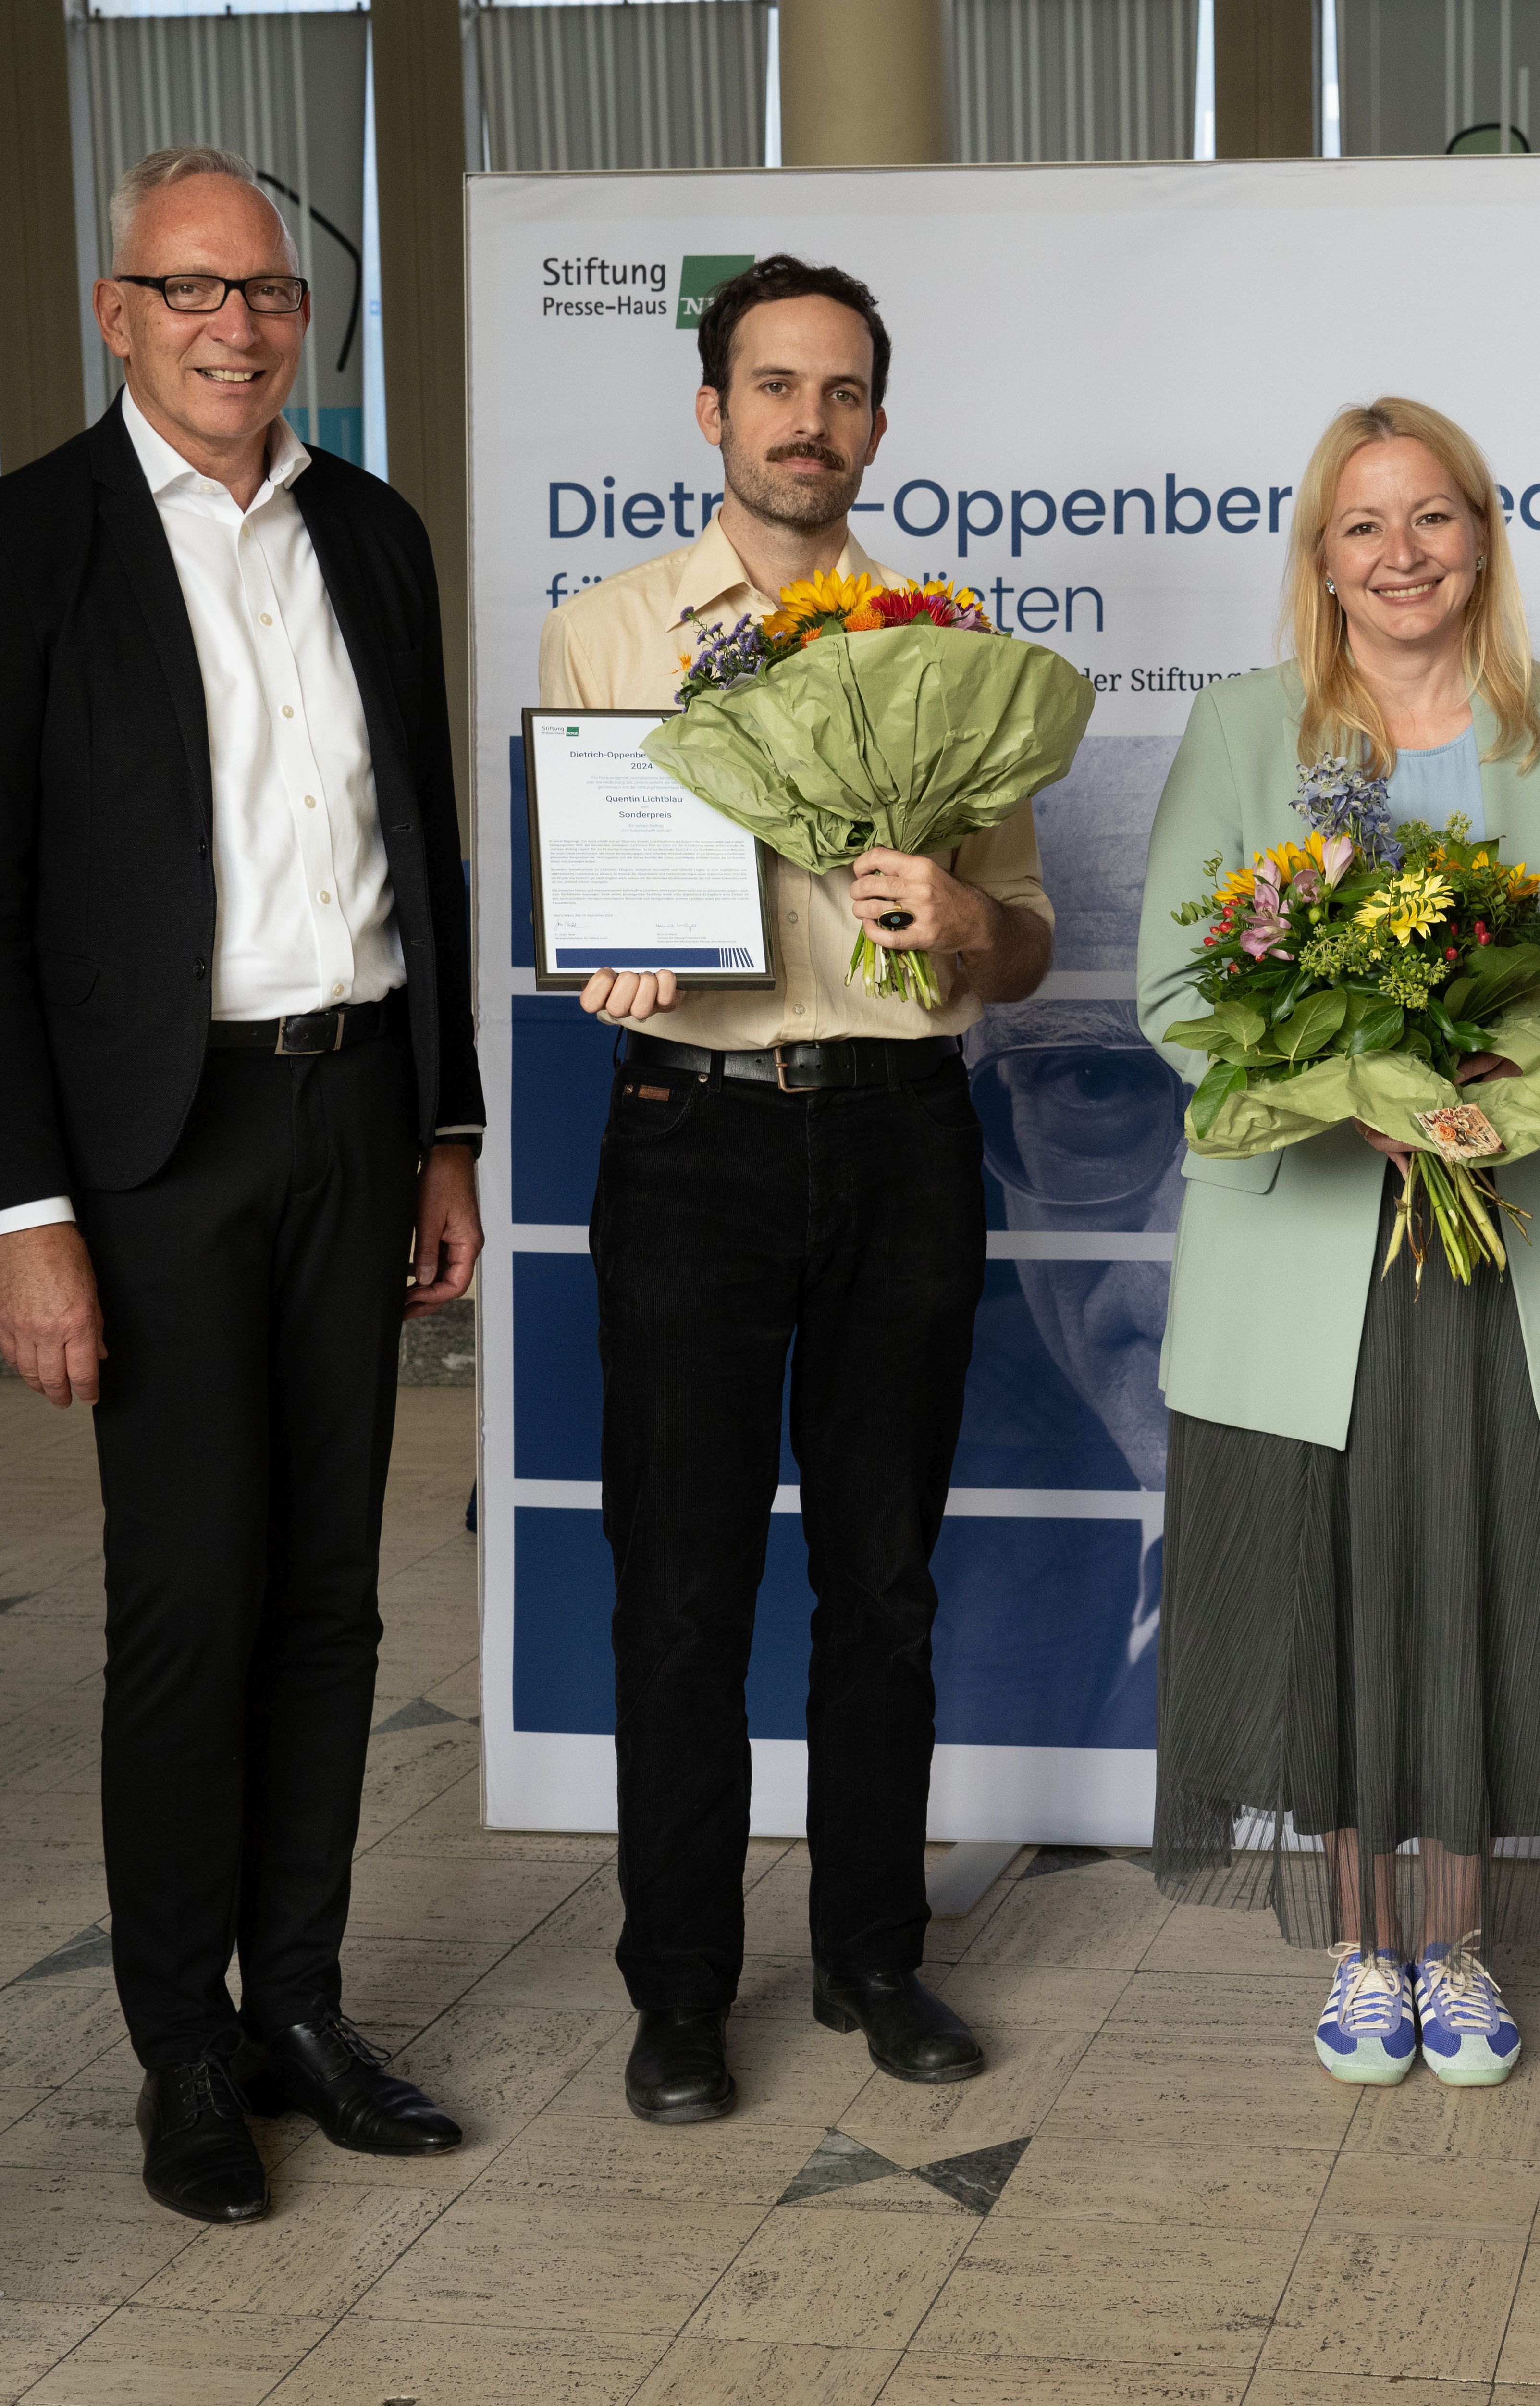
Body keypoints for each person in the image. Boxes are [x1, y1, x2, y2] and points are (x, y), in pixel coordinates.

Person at [0, 146, 481, 2226]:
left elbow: (424, 847)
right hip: (152, 1152)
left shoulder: (375, 535)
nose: (236, 329)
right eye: (193, 292)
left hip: (353, 1112)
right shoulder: (15, 548)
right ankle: (178, 2050)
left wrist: (445, 1127)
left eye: (268, 296)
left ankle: (299, 2013)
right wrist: (24, 1214)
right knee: (188, 1604)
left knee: (331, 1596)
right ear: (114, 310)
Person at [541, 255, 1052, 2122]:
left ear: (876, 426)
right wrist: (590, 957)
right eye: (771, 385)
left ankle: (872, 1956)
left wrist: (971, 920)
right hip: (689, 1127)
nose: (804, 421)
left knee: (882, 1581)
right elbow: (575, 895)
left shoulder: (945, 642)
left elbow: (1021, 945)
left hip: (903, 1126)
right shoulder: (606, 633)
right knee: (673, 1594)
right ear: (710, 410)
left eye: (839, 392)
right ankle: (679, 1990)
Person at [1134, 397, 1540, 2091]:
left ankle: (1457, 1940)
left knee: (1492, 1592)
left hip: (1519, 1256)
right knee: (1341, 1605)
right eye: (1363, 528)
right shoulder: (1243, 729)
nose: (1401, 556)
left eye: (1432, 519)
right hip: (1314, 1255)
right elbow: (1174, 993)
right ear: (1320, 559)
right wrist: (1342, 1085)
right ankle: (1363, 1955)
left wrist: (1529, 1072)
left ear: (1483, 538)